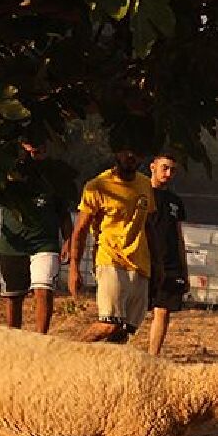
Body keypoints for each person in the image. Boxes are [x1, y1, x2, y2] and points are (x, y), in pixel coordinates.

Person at [0, 140, 73, 333]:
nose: (36, 151)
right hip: (13, 245)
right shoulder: (9, 176)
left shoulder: (53, 178)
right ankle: (14, 339)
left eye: (41, 147)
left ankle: (40, 340)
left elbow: (64, 215)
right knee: (13, 297)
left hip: (45, 244)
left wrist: (68, 241)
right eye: (31, 147)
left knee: (43, 291)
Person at [67, 139, 155, 343]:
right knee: (109, 324)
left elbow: (148, 226)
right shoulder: (97, 186)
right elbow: (80, 230)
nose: (131, 156)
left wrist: (157, 265)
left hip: (140, 264)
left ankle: (102, 371)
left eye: (137, 152)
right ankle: (72, 354)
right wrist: (74, 268)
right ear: (116, 152)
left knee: (124, 332)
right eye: (126, 150)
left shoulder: (144, 184)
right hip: (110, 260)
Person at [145, 152, 189, 356]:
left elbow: (179, 236)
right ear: (152, 167)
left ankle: (153, 357)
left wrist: (184, 269)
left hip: (170, 264)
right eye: (165, 168)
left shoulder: (175, 201)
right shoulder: (140, 193)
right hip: (143, 261)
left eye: (173, 170)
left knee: (163, 311)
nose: (169, 173)